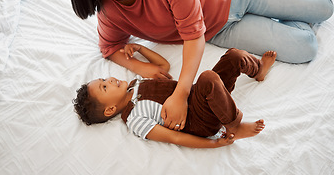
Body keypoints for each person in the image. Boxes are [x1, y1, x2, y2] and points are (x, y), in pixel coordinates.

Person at [64, 0, 333, 132]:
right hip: (219, 29)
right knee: (305, 47)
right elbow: (109, 47)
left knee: (324, 8)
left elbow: (192, 38)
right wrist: (143, 68)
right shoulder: (109, 13)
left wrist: (180, 94)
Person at [73, 43, 276, 148]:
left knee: (234, 56)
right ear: (110, 109)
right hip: (199, 120)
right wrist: (214, 143)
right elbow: (174, 137)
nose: (109, 80)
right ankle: (234, 126)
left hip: (202, 95)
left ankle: (257, 71)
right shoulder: (134, 118)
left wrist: (141, 49)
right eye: (105, 88)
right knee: (207, 78)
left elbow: (164, 66)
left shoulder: (138, 81)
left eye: (103, 79)